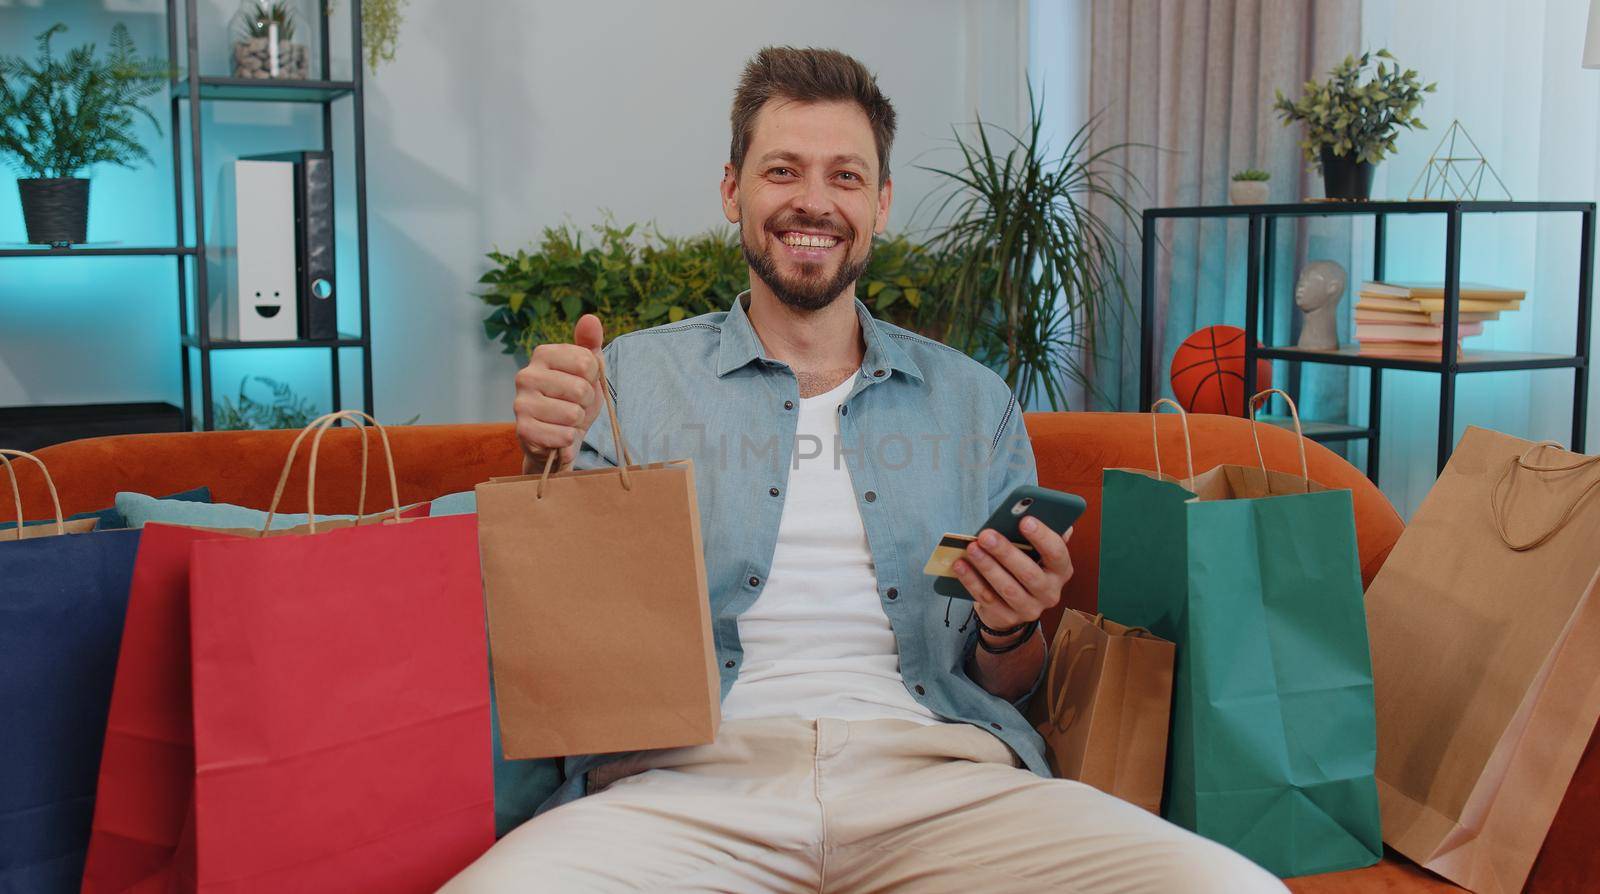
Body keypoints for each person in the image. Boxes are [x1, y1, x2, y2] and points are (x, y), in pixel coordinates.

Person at [443, 46, 1285, 894]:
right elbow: (563, 639)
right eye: (783, 170)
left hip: (943, 781)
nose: (814, 200)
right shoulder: (630, 380)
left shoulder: (971, 403)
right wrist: (545, 462)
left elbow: (1014, 683)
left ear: (879, 205)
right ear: (733, 190)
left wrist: (1010, 624)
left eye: (845, 176)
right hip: (684, 786)